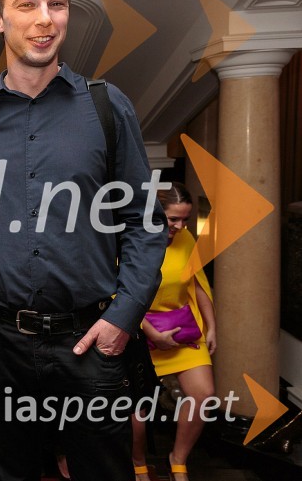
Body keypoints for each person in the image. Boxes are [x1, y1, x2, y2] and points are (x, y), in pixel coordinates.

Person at [0, 0, 168, 481]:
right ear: (0, 18)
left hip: (90, 339)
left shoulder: (106, 105)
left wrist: (123, 317)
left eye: (58, 2)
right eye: (27, 3)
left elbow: (146, 220)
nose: (45, 18)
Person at [132, 182, 216, 481]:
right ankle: (138, 463)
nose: (180, 226)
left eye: (185, 219)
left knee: (203, 395)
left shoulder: (186, 238)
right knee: (135, 410)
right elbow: (120, 295)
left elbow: (198, 283)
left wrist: (212, 326)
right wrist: (153, 335)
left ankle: (177, 460)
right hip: (140, 331)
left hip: (183, 330)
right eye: (173, 219)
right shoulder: (132, 240)